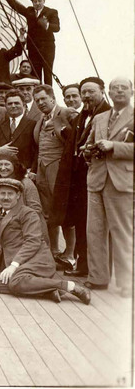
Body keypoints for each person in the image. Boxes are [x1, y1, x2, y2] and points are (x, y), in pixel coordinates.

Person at [0, 179, 90, 304]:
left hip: (36, 261)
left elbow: (32, 241)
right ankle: (47, 290)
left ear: (18, 195)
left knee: (15, 283)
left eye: (10, 194)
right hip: (18, 266)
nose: (6, 197)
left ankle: (69, 286)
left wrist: (14, 265)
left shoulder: (28, 213)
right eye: (3, 193)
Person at [52, 77, 111, 277]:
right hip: (79, 179)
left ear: (102, 91)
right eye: (83, 92)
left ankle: (98, 269)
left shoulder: (108, 114)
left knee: (98, 226)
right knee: (81, 222)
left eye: (90, 91)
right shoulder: (83, 115)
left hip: (99, 178)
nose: (86, 96)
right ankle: (83, 265)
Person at [84, 77, 134, 296]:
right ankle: (98, 278)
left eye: (124, 88)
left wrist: (114, 146)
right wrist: (88, 149)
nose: (119, 91)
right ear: (109, 94)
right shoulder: (100, 117)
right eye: (115, 88)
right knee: (94, 230)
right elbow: (93, 141)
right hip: (97, 179)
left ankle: (127, 283)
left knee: (123, 232)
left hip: (121, 181)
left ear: (132, 92)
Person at [30, 84, 76, 257]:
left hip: (60, 170)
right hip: (43, 171)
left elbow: (74, 139)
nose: (40, 103)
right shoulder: (41, 119)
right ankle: (54, 250)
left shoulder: (66, 113)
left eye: (43, 99)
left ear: (52, 98)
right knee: (48, 212)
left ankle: (70, 253)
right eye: (37, 100)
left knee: (65, 212)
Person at [4, 0, 60, 85]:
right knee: (35, 72)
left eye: (39, 1)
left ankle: (48, 92)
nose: (37, 3)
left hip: (47, 48)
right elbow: (16, 6)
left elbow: (57, 28)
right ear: (33, 3)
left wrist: (46, 25)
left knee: (47, 72)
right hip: (33, 47)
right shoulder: (29, 11)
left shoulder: (52, 12)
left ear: (44, 1)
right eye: (35, 2)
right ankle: (37, 93)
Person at [0, 89, 37, 170]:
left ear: (23, 104)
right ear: (5, 106)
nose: (13, 106)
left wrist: (33, 170)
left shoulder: (33, 124)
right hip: (3, 171)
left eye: (16, 103)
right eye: (10, 104)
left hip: (25, 171)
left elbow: (38, 151)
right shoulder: (0, 125)